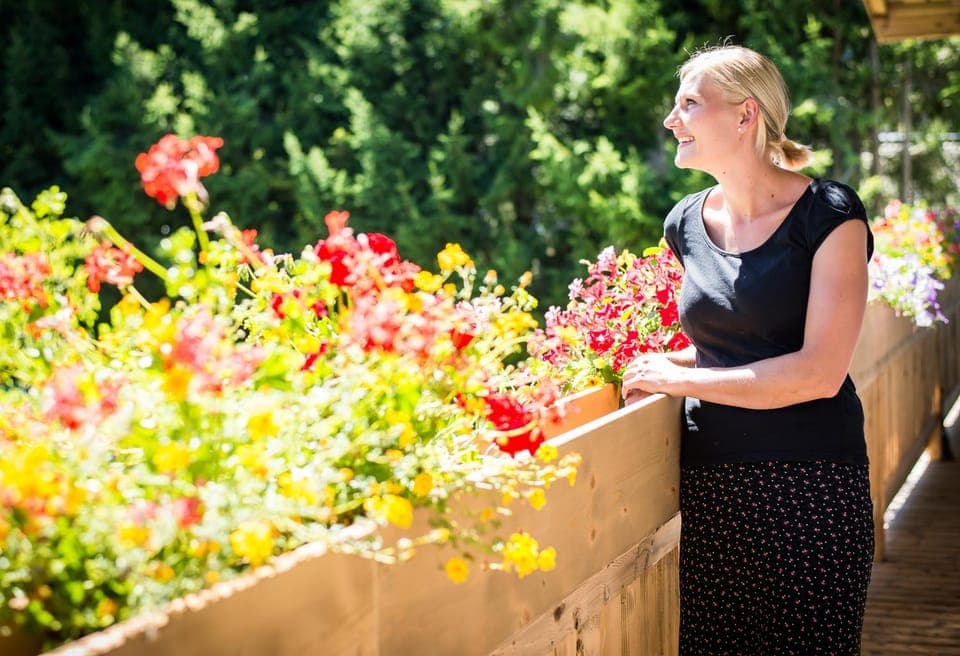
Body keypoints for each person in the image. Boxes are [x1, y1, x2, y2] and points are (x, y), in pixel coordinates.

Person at [621, 45, 875, 655]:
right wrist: (665, 366)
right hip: (712, 490)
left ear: (745, 115)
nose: (671, 120)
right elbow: (734, 347)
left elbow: (818, 372)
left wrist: (680, 382)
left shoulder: (829, 215)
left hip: (811, 490)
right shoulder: (684, 223)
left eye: (689, 104)